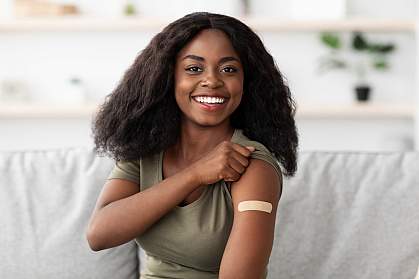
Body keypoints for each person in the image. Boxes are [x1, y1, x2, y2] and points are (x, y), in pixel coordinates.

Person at [87, 12, 298, 279]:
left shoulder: (253, 166)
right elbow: (99, 234)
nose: (212, 80)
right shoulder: (145, 149)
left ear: (247, 82)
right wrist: (195, 174)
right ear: (168, 77)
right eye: (194, 69)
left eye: (229, 69)